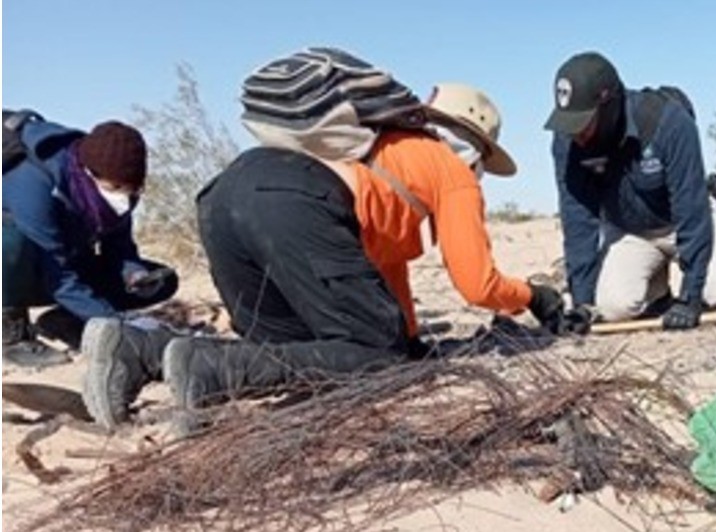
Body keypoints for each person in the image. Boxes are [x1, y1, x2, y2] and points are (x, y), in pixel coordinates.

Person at [81, 82, 565, 429]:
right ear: (474, 147)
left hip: (224, 197)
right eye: (483, 165)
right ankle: (208, 371)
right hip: (292, 206)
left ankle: (137, 350)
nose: (480, 175)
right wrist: (534, 296)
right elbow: (477, 284)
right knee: (380, 359)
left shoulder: (381, 144)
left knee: (310, 350)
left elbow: (382, 275)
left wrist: (408, 337)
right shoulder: (450, 170)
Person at [545, 51, 716, 330]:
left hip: (687, 222)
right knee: (613, 307)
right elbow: (577, 220)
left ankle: (699, 275)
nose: (576, 135)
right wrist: (582, 305)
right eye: (570, 124)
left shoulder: (668, 122)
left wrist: (690, 296)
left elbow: (691, 210)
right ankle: (658, 291)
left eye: (584, 124)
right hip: (631, 231)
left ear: (609, 105)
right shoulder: (567, 142)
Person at [2, 117, 177, 369]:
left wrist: (133, 273)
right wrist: (115, 323)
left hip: (65, 263)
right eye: (115, 186)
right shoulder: (34, 182)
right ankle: (11, 335)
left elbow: (120, 249)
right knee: (11, 242)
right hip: (31, 269)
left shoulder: (119, 192)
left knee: (163, 281)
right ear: (88, 172)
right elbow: (59, 276)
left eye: (132, 189)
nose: (123, 197)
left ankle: (66, 320)